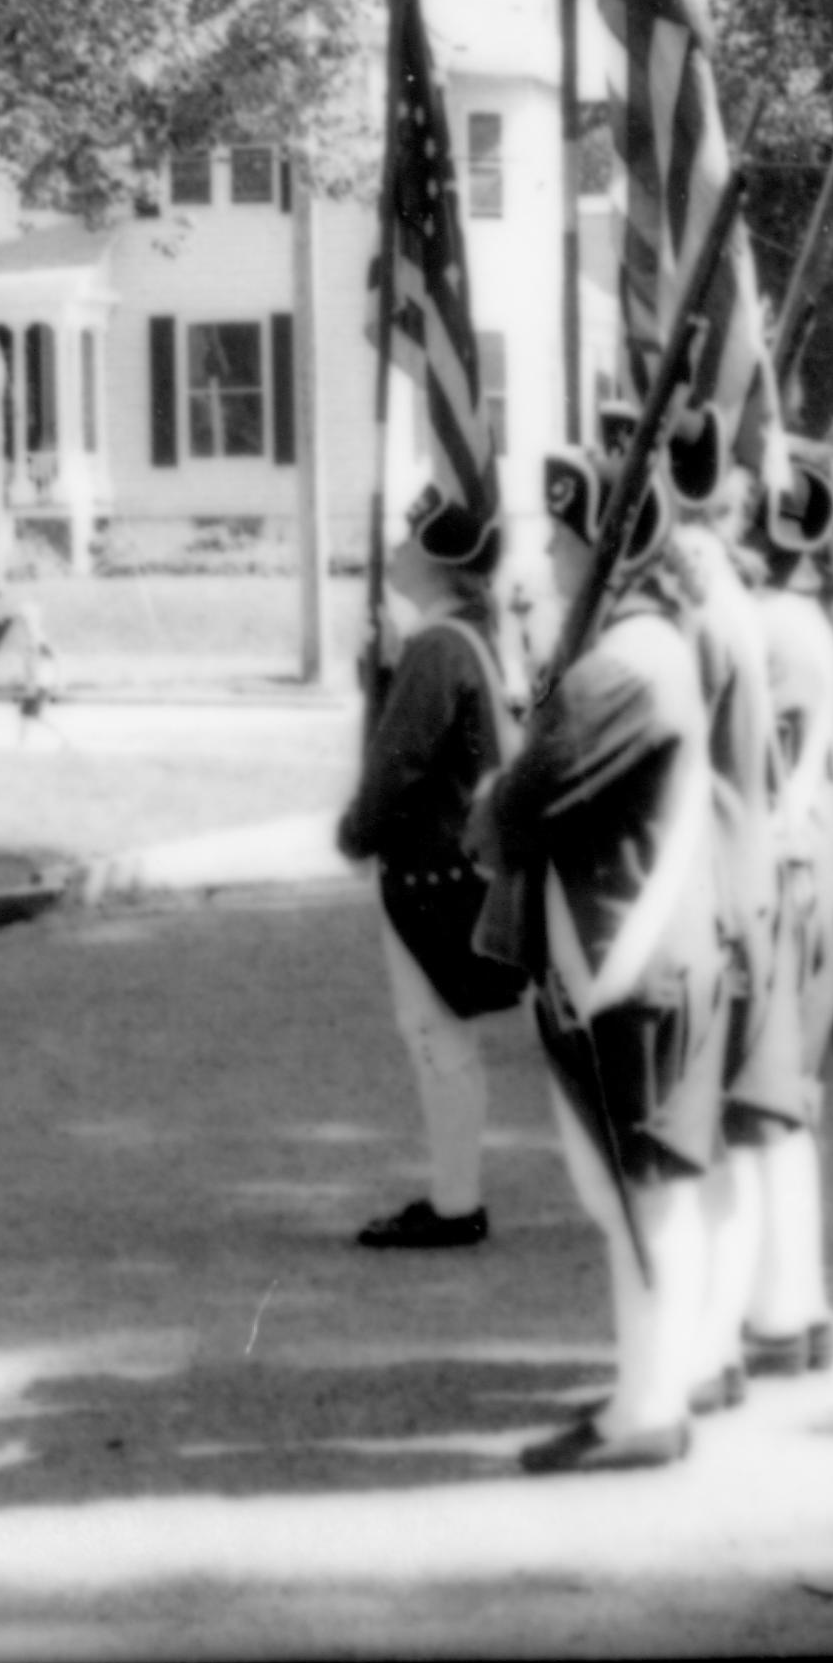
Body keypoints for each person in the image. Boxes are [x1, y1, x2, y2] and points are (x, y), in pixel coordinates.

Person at [474, 441, 722, 1474]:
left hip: (621, 963)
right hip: (645, 954)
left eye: (564, 535)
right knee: (642, 1194)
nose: (551, 554)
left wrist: (504, 780)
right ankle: (649, 1392)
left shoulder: (619, 664)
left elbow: (506, 818)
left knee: (637, 1198)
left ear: (603, 547)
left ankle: (649, 1409)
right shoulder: (641, 647)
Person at [335, 483, 526, 1251]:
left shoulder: (438, 647)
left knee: (435, 1037)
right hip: (462, 866)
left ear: (436, 561)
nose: (394, 552)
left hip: (434, 871)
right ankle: (455, 1195)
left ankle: (456, 1203)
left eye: (407, 542)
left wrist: (356, 832)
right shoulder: (459, 639)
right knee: (441, 1038)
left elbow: (401, 761)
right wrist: (379, 679)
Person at [657, 403, 780, 1419]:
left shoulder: (687, 597)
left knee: (685, 1141)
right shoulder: (729, 585)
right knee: (725, 1138)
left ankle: (698, 1349)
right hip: (750, 874)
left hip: (705, 880)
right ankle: (720, 1340)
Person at [738, 459, 833, 1380]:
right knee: (791, 1102)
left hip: (773, 867)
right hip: (817, 861)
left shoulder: (765, 626)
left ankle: (773, 1307)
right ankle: (800, 1298)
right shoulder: (809, 619)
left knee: (759, 1100)